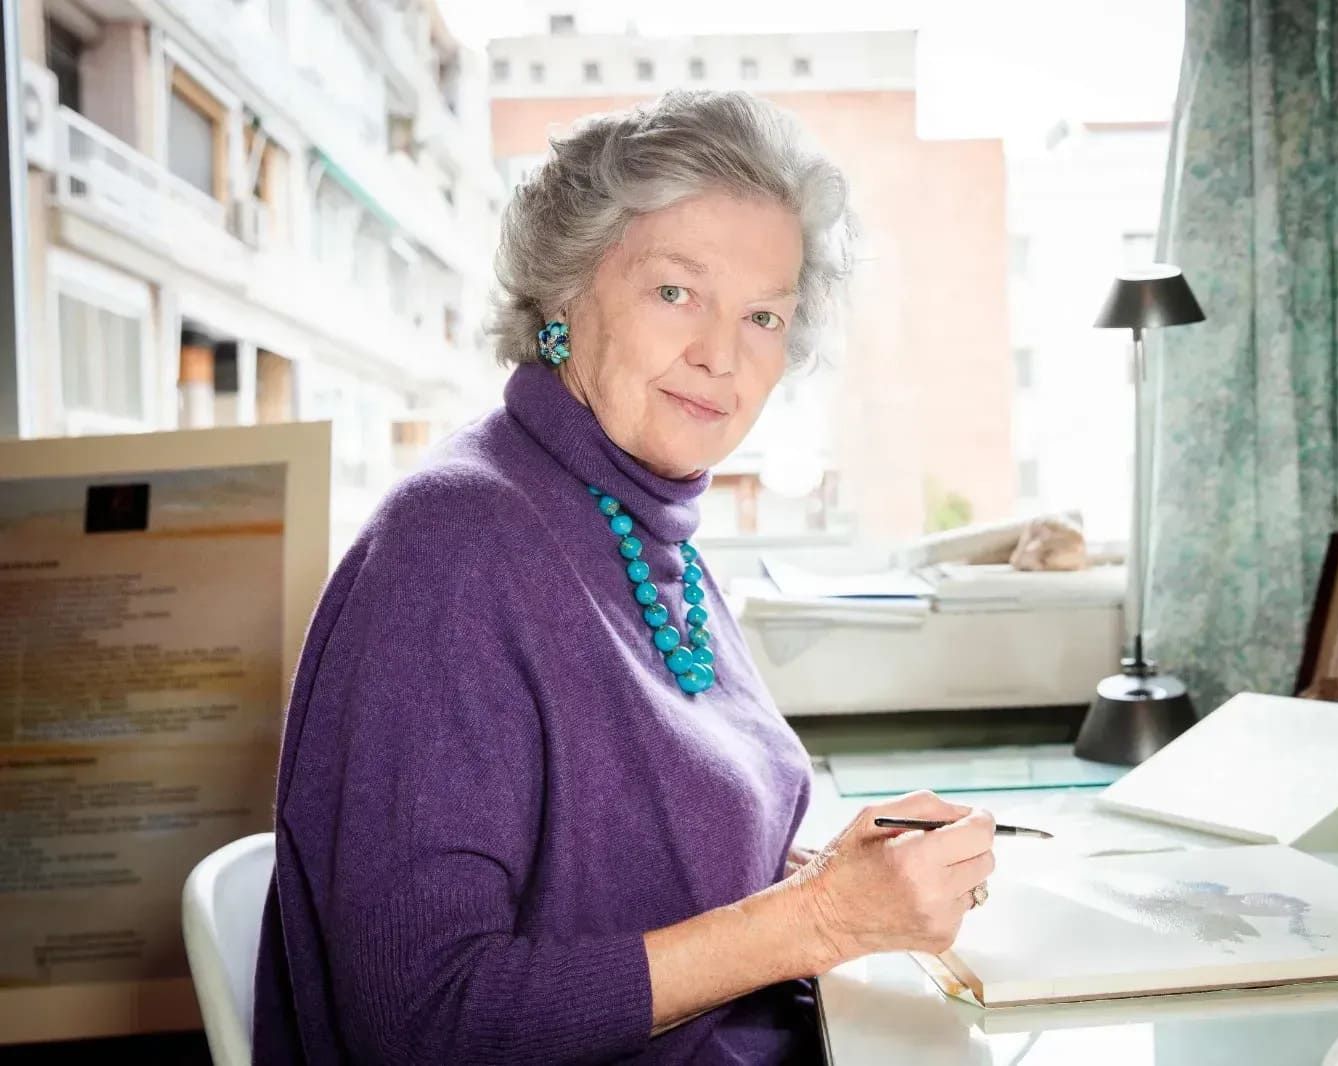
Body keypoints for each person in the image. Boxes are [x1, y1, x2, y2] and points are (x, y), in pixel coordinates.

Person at [252, 90, 996, 1064]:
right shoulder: (455, 543)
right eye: (675, 292)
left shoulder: (651, 529)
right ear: (564, 293)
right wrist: (815, 918)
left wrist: (848, 881)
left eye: (763, 315)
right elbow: (418, 1021)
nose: (720, 355)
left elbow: (643, 869)